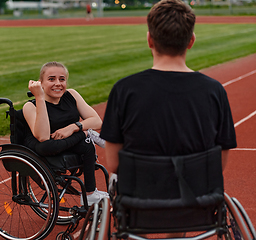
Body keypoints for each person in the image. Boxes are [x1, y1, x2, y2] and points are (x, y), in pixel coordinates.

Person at [100, 0, 236, 204]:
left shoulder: (123, 90)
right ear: (191, 40)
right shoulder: (214, 90)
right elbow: (220, 163)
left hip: (139, 198)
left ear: (149, 40)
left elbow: (113, 162)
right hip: (197, 198)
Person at [23, 61, 108, 206]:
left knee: (87, 147)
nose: (58, 83)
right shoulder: (30, 106)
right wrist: (40, 98)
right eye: (51, 79)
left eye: (62, 79)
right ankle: (88, 134)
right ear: (41, 83)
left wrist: (73, 128)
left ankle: (90, 193)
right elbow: (42, 137)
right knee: (47, 146)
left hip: (68, 140)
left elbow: (97, 121)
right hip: (44, 145)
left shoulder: (72, 95)